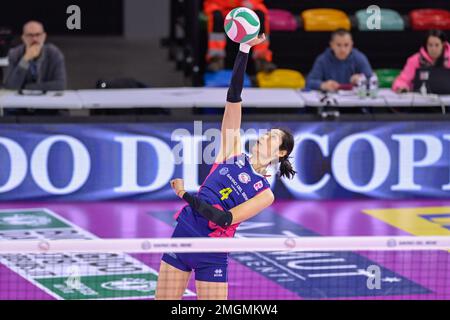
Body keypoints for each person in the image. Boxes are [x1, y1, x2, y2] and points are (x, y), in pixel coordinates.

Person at [155, 34, 296, 300]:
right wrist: (243, 49)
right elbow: (233, 96)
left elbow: (224, 219)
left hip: (212, 254)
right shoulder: (231, 150)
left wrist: (184, 195)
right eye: (267, 132)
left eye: (273, 137)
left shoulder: (265, 194)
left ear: (280, 152)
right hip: (183, 236)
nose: (265, 136)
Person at [204, 0, 275, 72]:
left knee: (260, 14)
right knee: (215, 16)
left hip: (246, 7)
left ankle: (262, 59)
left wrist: (251, 2)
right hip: (220, 6)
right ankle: (216, 59)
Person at [4, 20, 66, 91]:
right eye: (30, 35)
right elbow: (10, 87)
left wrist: (26, 87)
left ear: (44, 36)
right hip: (21, 100)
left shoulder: (54, 53)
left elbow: (60, 85)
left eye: (38, 34)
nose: (34, 39)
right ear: (23, 38)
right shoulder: (14, 54)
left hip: (47, 99)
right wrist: (25, 59)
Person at [306, 29, 373, 92]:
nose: (342, 50)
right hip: (331, 100)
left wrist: (361, 78)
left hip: (355, 101)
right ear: (331, 45)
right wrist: (323, 85)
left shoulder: (359, 58)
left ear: (351, 45)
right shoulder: (322, 60)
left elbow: (372, 80)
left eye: (346, 45)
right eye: (338, 45)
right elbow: (309, 82)